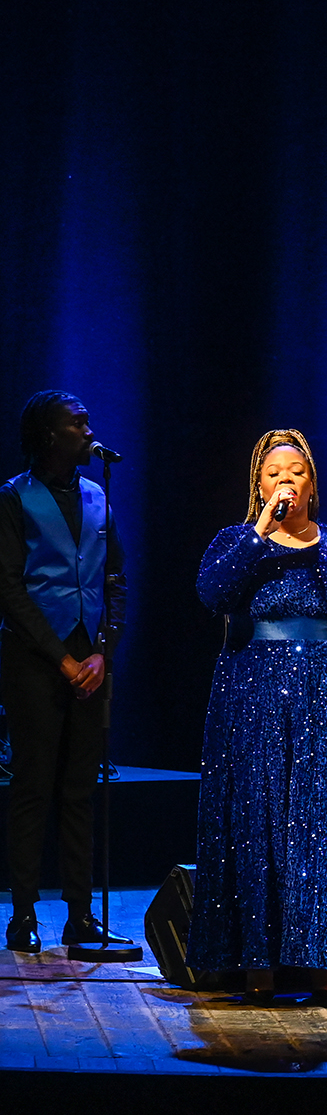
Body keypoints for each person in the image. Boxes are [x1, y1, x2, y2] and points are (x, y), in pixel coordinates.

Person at [188, 430, 327, 1002]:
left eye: (297, 471)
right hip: (256, 691)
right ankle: (257, 961)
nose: (286, 480)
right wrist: (259, 536)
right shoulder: (237, 540)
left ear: (312, 482)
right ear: (259, 484)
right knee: (260, 821)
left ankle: (325, 960)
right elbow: (212, 594)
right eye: (275, 472)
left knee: (324, 822)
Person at [0, 392, 127, 953]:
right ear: (50, 436)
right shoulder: (14, 497)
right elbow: (8, 588)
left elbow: (116, 580)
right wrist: (63, 657)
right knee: (32, 785)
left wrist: (104, 650)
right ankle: (23, 913)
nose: (88, 430)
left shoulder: (99, 494)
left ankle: (80, 916)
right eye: (77, 423)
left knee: (80, 789)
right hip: (35, 658)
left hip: (89, 659)